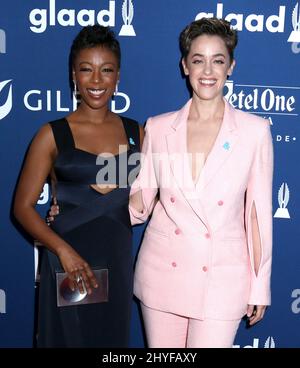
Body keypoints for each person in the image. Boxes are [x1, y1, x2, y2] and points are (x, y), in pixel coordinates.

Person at [129, 18, 273, 348]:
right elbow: (142, 198)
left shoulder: (254, 132)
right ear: (184, 65)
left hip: (221, 279)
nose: (207, 70)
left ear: (231, 66)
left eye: (217, 60)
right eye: (198, 60)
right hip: (163, 273)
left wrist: (258, 284)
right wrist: (84, 206)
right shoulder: (159, 128)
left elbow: (257, 216)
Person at [14, 25, 143, 348]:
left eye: (106, 70)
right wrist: (63, 250)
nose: (96, 81)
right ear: (74, 75)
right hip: (68, 262)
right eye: (86, 70)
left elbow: (150, 197)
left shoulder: (136, 132)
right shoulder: (52, 134)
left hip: (116, 261)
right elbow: (21, 208)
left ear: (118, 77)